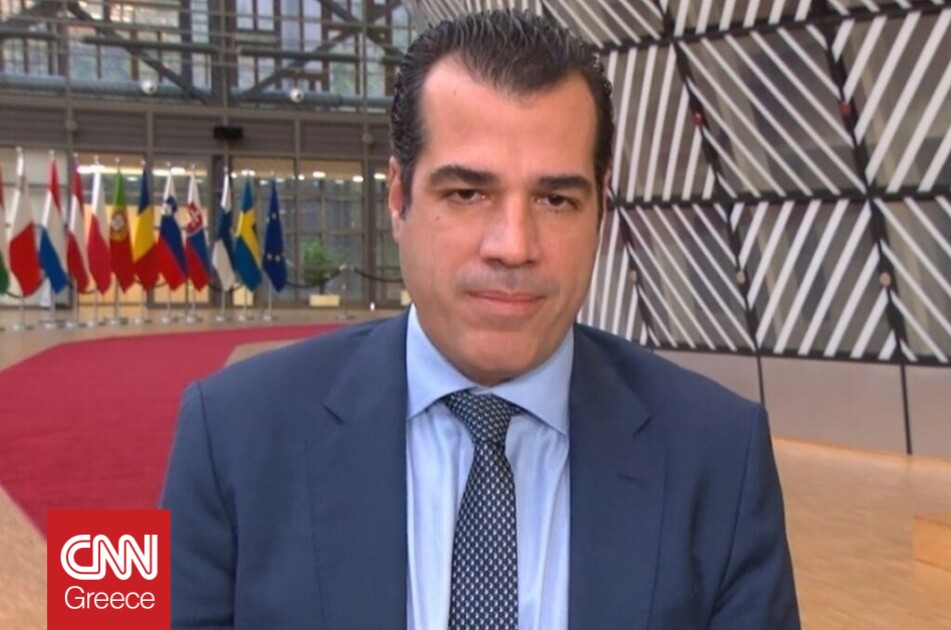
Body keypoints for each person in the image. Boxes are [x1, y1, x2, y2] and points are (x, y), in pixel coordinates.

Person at [161, 10, 800, 630]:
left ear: (601, 213)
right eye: (467, 194)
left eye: (556, 199)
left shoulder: (723, 454)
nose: (513, 245)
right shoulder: (223, 432)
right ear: (398, 198)